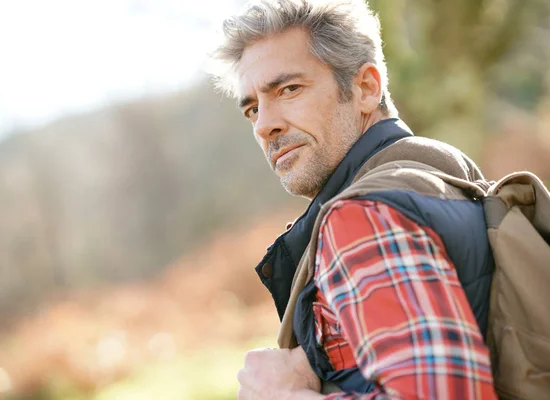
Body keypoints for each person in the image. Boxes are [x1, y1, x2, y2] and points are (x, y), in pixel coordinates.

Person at [209, 0, 498, 398]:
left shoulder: (366, 215)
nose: (265, 126)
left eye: (289, 89)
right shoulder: (439, 181)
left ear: (365, 88)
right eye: (253, 108)